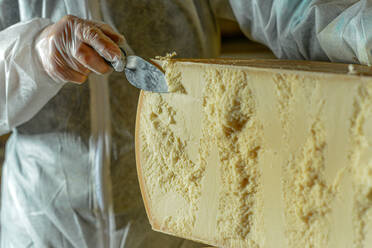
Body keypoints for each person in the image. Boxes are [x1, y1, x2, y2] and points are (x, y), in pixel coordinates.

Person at [0, 0, 371, 247]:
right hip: (41, 227)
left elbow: (288, 10)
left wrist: (357, 29)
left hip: (185, 211)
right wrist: (34, 57)